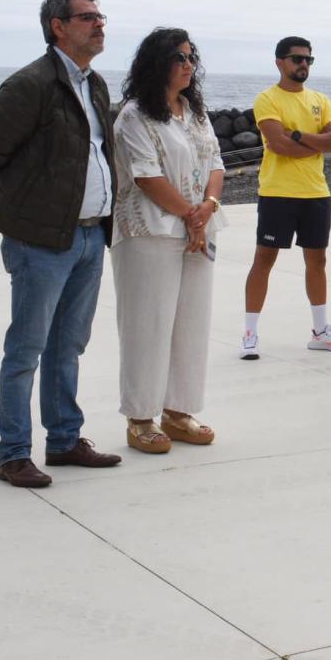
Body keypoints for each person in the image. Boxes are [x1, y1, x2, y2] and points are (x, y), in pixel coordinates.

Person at [0, 0, 122, 487]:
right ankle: (14, 453)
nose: (99, 25)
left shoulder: (95, 83)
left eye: (100, 16)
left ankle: (63, 440)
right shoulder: (31, 84)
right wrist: (24, 196)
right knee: (26, 348)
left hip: (88, 237)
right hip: (40, 239)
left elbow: (96, 154)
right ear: (58, 26)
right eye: (87, 18)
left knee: (69, 345)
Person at [111, 28, 226, 453]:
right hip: (149, 231)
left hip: (198, 228)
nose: (188, 65)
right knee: (148, 324)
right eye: (179, 57)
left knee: (191, 322)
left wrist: (207, 208)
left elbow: (215, 160)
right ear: (157, 63)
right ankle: (140, 416)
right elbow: (145, 175)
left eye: (191, 57)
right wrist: (189, 214)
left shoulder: (193, 112)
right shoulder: (135, 116)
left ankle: (179, 411)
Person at [240, 37, 331, 359]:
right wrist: (316, 142)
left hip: (316, 192)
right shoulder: (267, 99)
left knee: (317, 261)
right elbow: (278, 145)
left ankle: (320, 331)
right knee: (264, 260)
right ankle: (250, 333)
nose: (303, 65)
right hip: (277, 193)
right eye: (297, 59)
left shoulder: (320, 99)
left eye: (308, 60)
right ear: (280, 63)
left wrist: (298, 135)